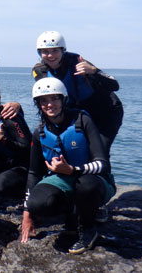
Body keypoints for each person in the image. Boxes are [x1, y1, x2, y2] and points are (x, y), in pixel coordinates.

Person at [21, 77, 116, 254]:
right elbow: (34, 172)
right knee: (37, 203)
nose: (50, 104)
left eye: (54, 99)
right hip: (62, 181)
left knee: (86, 186)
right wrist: (27, 214)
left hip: (94, 181)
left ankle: (88, 228)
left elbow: (102, 164)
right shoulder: (40, 132)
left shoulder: (82, 120)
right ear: (38, 104)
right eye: (43, 100)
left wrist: (73, 170)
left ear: (63, 99)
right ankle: (73, 215)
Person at [32, 31, 123, 154]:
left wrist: (93, 71)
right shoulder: (40, 72)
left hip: (106, 110)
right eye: (45, 52)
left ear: (62, 50)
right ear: (39, 52)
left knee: (99, 149)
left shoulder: (77, 62)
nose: (50, 56)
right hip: (79, 113)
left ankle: (101, 172)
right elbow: (45, 99)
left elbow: (114, 85)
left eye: (55, 51)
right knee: (73, 149)